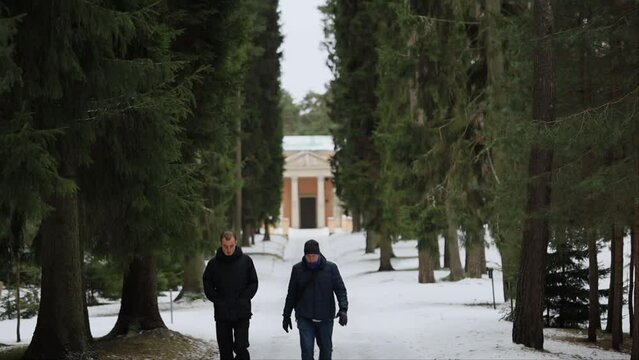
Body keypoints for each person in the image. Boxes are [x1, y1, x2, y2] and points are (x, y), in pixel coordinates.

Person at [282, 239, 348, 360]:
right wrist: (286, 315)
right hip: (304, 317)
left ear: (319, 254)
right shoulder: (297, 270)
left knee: (326, 351)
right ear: (305, 255)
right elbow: (291, 294)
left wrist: (343, 309)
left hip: (325, 318)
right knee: (307, 350)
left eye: (314, 255)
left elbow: (340, 290)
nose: (311, 259)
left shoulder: (331, 268)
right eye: (309, 256)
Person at [203, 230, 258, 360]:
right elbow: (207, 284)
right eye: (225, 246)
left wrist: (244, 298)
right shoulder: (213, 264)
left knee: (241, 346)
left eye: (231, 246)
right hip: (222, 313)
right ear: (221, 244)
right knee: (225, 351)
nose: (228, 249)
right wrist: (218, 300)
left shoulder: (246, 261)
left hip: (242, 312)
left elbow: (253, 282)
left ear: (236, 243)